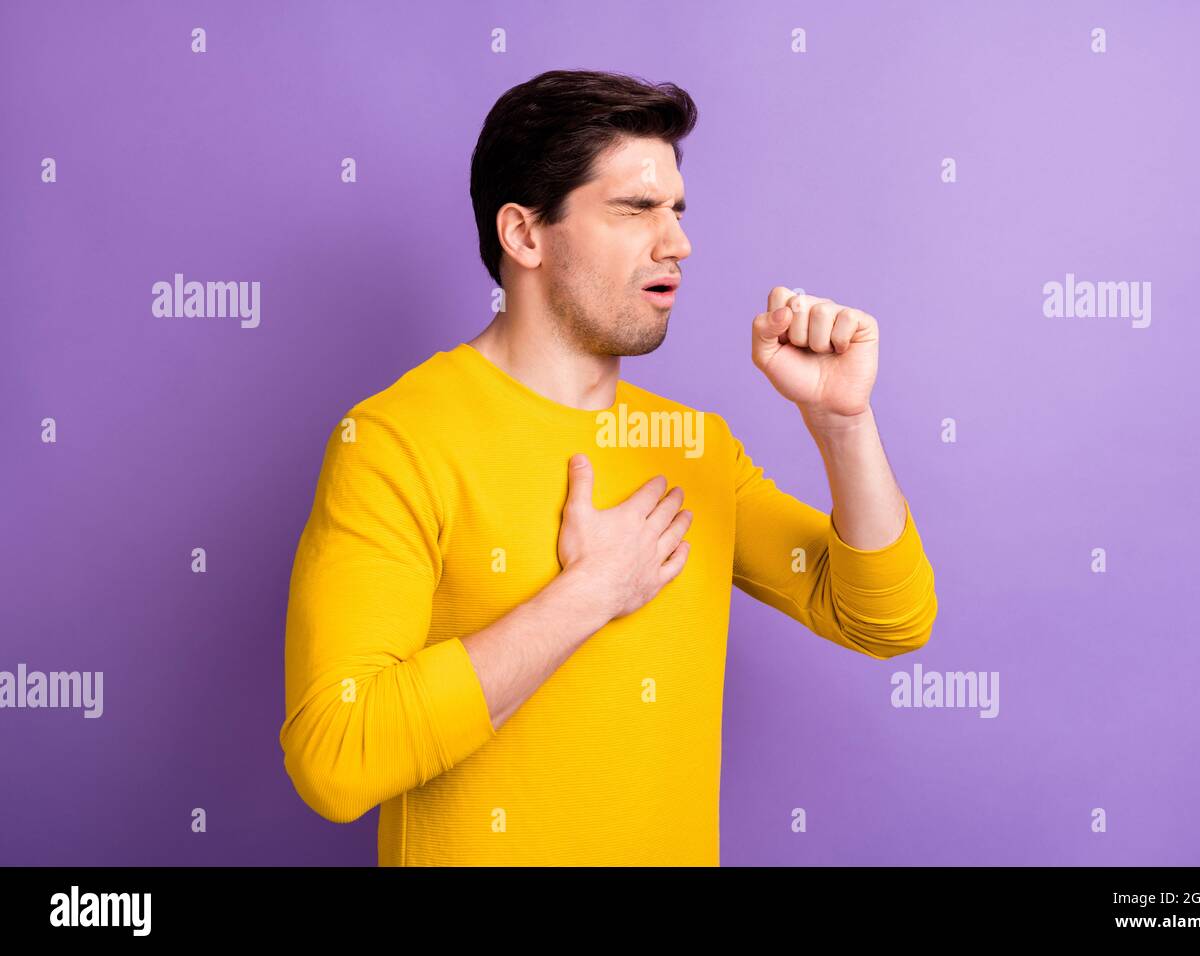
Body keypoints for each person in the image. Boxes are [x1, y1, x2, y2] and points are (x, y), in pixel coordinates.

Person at [280, 69, 938, 866]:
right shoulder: (395, 440)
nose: (679, 243)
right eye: (635, 209)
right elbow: (337, 756)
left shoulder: (691, 447)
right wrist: (587, 597)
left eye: (678, 210)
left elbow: (886, 619)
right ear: (525, 235)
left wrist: (842, 425)